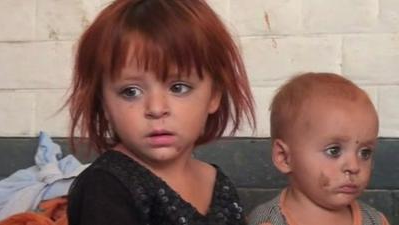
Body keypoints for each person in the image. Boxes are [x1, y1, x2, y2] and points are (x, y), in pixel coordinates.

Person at [66, 0, 256, 225]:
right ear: (104, 103)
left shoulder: (216, 181)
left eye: (178, 88)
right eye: (131, 92)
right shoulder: (105, 188)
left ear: (214, 95)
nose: (156, 109)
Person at [248, 72, 390, 225]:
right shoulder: (268, 221)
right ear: (284, 157)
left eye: (365, 152)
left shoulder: (375, 221)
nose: (354, 166)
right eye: (334, 151)